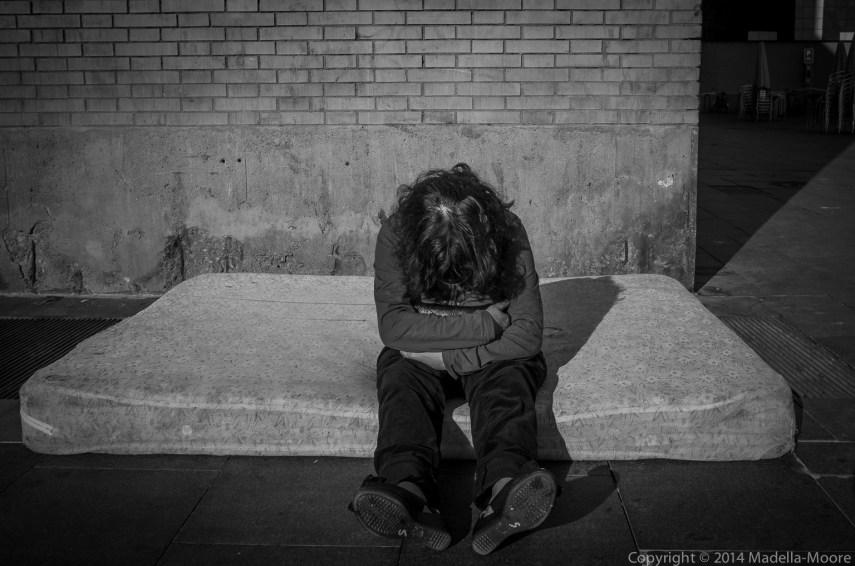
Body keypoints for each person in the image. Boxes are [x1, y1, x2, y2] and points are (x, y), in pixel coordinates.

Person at [348, 163, 559, 555]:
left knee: (507, 383)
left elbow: (527, 334)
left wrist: (452, 359)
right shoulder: (396, 233)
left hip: (487, 358)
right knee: (400, 380)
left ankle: (504, 493)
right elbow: (394, 328)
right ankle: (408, 494)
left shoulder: (509, 232)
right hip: (422, 357)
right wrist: (483, 324)